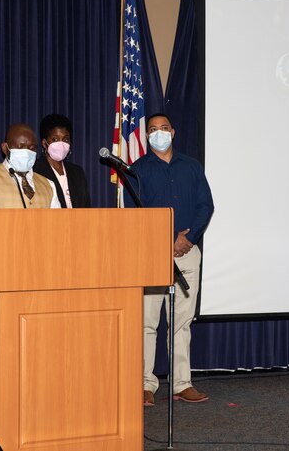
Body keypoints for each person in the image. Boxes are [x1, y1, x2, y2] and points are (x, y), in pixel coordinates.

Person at [123, 113, 214, 406]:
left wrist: (188, 238)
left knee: (181, 322)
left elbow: (205, 205)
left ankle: (181, 383)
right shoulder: (137, 170)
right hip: (150, 254)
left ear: (173, 132)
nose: (158, 133)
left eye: (163, 129)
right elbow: (134, 215)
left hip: (187, 253)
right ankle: (144, 384)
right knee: (147, 321)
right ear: (146, 136)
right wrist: (161, 241)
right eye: (152, 130)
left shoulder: (191, 166)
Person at [0, 123, 60, 209]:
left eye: (32, 148)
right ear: (5, 148)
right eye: (20, 147)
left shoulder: (49, 185)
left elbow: (58, 223)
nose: (27, 152)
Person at [33, 114, 91, 208]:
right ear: (44, 143)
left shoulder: (77, 172)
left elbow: (87, 208)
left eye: (66, 139)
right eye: (55, 139)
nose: (61, 143)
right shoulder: (35, 171)